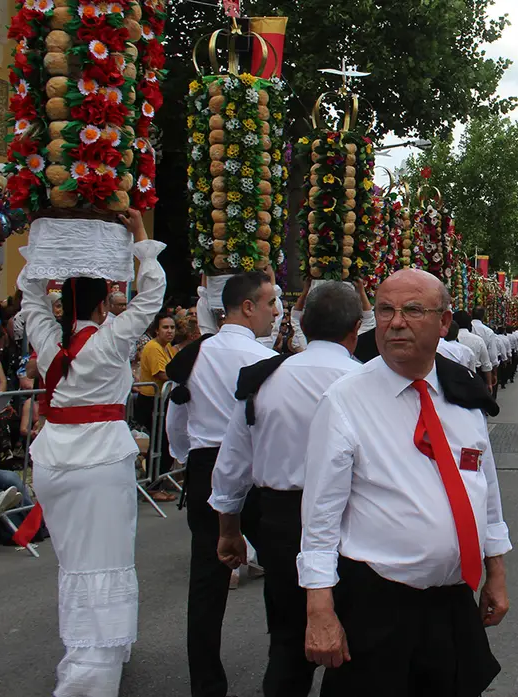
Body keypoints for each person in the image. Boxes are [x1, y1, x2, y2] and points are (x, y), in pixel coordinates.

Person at [299, 269, 511, 696]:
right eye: (385, 310)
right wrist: (319, 606)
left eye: (413, 310)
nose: (396, 322)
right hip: (377, 606)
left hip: (451, 603)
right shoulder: (345, 399)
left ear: (444, 321)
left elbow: (483, 488)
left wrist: (496, 570)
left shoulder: (461, 394)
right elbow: (320, 514)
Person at [21, 210, 164, 697]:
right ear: (105, 304)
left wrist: (45, 247)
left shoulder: (46, 337)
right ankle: (91, 669)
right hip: (100, 459)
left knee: (76, 562)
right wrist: (142, 239)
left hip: (53, 462)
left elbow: (29, 296)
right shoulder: (111, 339)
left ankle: (96, 650)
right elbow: (152, 300)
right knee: (104, 560)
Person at [209, 282, 363, 697]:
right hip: (354, 522)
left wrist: (229, 529)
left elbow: (232, 465)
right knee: (357, 641)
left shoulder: (267, 378)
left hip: (281, 522)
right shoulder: (368, 382)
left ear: (303, 324)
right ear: (355, 329)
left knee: (288, 640)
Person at [165, 270, 280, 697]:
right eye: (270, 303)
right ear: (247, 307)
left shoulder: (195, 354)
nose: (274, 313)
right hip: (253, 466)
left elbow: (176, 417)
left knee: (206, 580)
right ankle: (282, 669)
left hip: (204, 465)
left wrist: (186, 458)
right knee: (280, 565)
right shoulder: (260, 359)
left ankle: (206, 685)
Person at [136, 313, 178, 500]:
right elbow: (162, 374)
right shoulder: (153, 347)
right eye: (165, 327)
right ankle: (153, 486)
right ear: (156, 330)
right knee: (159, 444)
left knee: (165, 442)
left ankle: (158, 480)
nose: (169, 331)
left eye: (172, 328)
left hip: (162, 401)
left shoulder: (168, 348)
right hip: (151, 401)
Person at [454, 311, 494, 383]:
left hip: (453, 378)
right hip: (476, 376)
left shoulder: (448, 340)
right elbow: (486, 364)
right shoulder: (478, 340)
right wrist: (489, 383)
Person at [471, 307, 501, 395]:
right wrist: (494, 373)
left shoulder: (466, 329)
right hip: (482, 370)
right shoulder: (487, 331)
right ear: (483, 316)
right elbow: (492, 356)